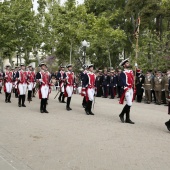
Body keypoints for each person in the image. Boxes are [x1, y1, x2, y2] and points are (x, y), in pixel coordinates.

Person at [119, 58, 135, 124]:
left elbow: (138, 73)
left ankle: (127, 118)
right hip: (127, 89)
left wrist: (137, 67)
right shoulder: (123, 73)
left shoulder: (130, 71)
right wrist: (126, 88)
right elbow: (123, 82)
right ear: (124, 65)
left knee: (129, 104)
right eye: (127, 63)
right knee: (129, 103)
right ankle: (121, 114)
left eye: (128, 63)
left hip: (131, 88)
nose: (128, 64)